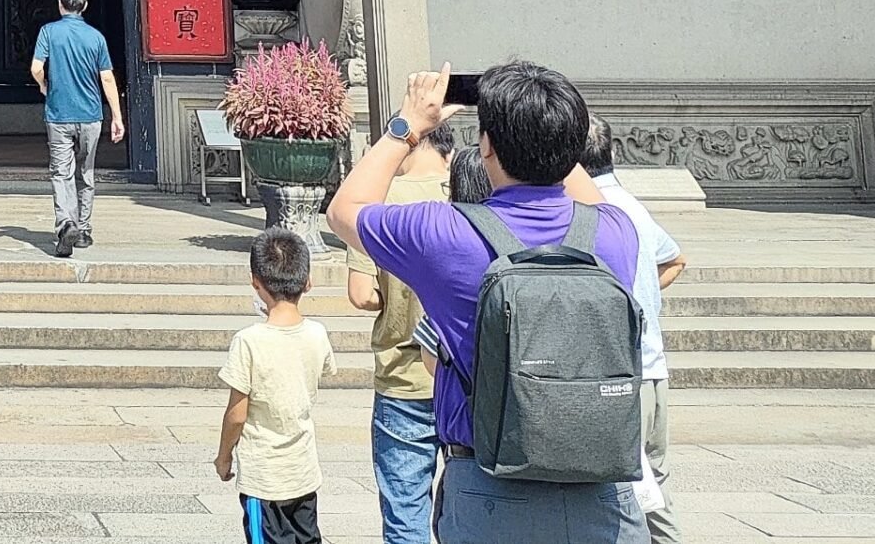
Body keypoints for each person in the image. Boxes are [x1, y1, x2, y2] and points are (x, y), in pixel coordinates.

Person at [328, 61, 649, 544]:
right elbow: (580, 186)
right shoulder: (616, 233)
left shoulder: (445, 232)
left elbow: (344, 210)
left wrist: (408, 125)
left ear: (486, 146)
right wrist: (545, 124)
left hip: (488, 485)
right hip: (602, 492)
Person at [344, 122, 453, 544]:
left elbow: (362, 295)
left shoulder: (377, 203)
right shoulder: (474, 194)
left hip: (402, 378)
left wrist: (398, 295)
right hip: (464, 379)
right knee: (467, 507)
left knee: (405, 515)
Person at [583, 116, 689, 541]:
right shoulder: (632, 206)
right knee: (651, 490)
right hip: (652, 368)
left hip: (620, 376)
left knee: (625, 498)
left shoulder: (591, 214)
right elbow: (676, 259)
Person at [213, 226, 334, 543]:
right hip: (304, 470)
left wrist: (224, 455)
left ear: (255, 282)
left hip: (263, 478)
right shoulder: (317, 334)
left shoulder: (249, 342)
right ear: (308, 282)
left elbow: (237, 414)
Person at [28, 0, 125, 257]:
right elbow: (107, 78)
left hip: (58, 114)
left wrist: (44, 84)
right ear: (84, 5)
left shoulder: (49, 32)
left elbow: (36, 67)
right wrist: (116, 117)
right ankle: (83, 230)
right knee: (86, 172)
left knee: (61, 172)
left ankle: (66, 223)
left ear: (60, 4)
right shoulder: (96, 37)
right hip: (91, 115)